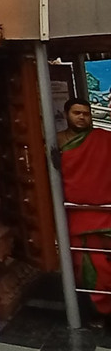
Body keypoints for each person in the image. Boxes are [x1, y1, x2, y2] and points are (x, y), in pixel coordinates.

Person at [58, 97, 111, 321]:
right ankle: (100, 310)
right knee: (88, 267)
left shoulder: (102, 139)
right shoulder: (58, 140)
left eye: (86, 113)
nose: (82, 117)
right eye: (76, 113)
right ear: (66, 114)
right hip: (77, 217)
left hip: (105, 215)